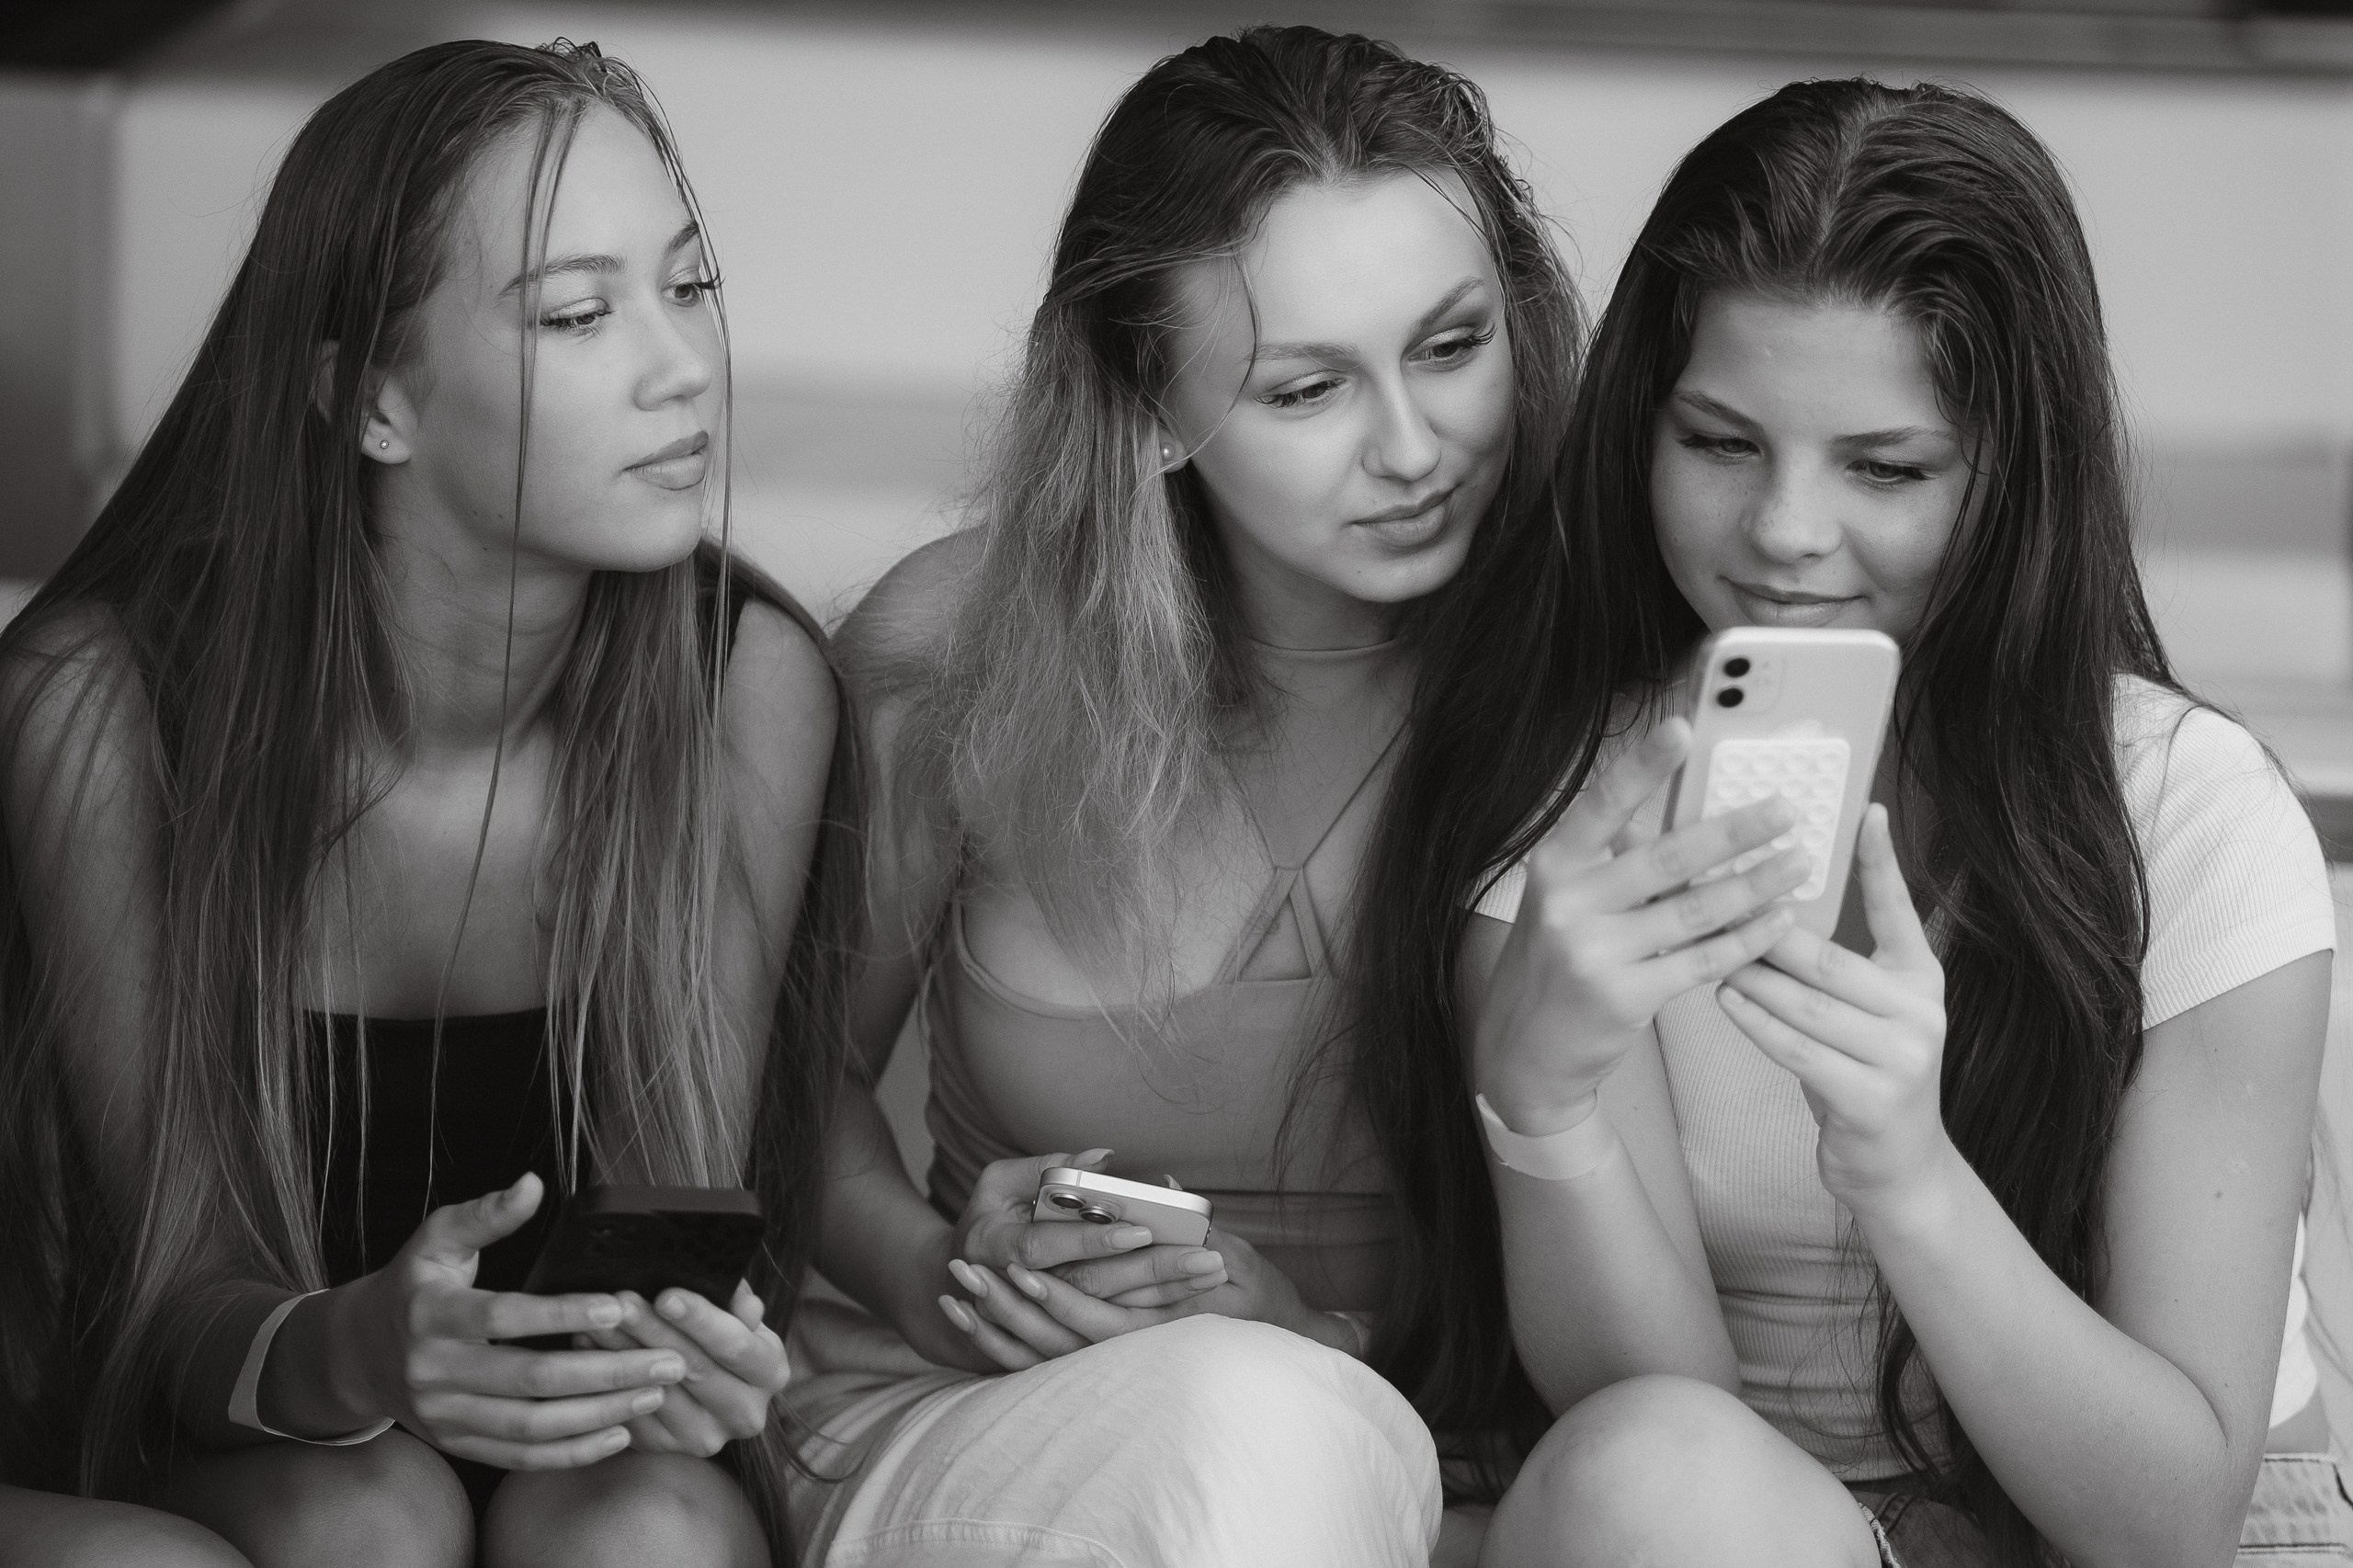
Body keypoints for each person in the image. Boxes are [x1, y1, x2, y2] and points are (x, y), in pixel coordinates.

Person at [1459, 79, 2347, 1566]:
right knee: (1638, 1477)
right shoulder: (1573, 801)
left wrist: (1904, 1169)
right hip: (1756, 1521)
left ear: (2014, 478)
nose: (1785, 531)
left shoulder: (2191, 810)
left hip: (2151, 1530)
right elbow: (1654, 1454)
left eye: (1885, 467)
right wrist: (1541, 1105)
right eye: (1720, 441)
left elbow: (2172, 1520)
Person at [0, 40, 853, 1568]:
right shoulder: (102, 703)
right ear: (372, 398)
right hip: (242, 1433)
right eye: (580, 313)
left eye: (691, 287)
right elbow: (167, 1310)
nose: (682, 366)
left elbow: (680, 1211)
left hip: (574, 1457)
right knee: (371, 1519)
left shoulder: (746, 685)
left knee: (654, 1528)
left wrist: (697, 1354)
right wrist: (368, 1349)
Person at [789, 25, 1587, 1566]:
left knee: (1258, 1422)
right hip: (1002, 1431)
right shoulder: (954, 654)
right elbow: (777, 1085)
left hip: (1467, 1468)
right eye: (1308, 389)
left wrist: (1307, 1336)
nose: (1415, 449)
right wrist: (941, 1271)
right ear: (1148, 407)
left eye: (1451, 347)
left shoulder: (1597, 672)